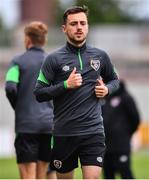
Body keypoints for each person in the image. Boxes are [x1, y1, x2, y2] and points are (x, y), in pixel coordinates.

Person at [34, 6, 119, 179]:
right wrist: (65, 85)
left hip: (93, 131)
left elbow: (115, 80)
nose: (79, 27)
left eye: (82, 23)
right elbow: (39, 93)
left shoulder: (100, 56)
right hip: (64, 134)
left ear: (87, 26)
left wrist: (107, 89)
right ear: (64, 29)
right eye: (74, 24)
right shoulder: (53, 59)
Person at [5, 21, 56, 179]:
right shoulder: (53, 62)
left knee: (28, 176)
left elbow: (10, 87)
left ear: (27, 39)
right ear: (44, 40)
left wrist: (19, 106)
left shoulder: (17, 62)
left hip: (27, 125)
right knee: (42, 175)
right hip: (49, 125)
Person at [102, 80, 140, 179]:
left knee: (125, 174)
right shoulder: (102, 99)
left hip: (121, 146)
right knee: (108, 176)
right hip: (105, 147)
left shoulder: (126, 97)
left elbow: (135, 119)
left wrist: (125, 134)